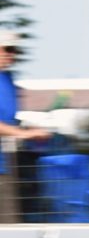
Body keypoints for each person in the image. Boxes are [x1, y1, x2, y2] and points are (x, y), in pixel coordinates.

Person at [0, 31, 51, 223]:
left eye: (15, 49)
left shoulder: (8, 79)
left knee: (9, 228)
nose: (12, 54)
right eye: (8, 48)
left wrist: (28, 129)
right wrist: (23, 134)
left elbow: (7, 119)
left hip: (6, 165)